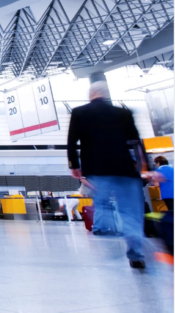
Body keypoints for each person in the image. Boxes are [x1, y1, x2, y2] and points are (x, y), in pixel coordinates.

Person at [68, 81, 150, 269]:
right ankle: (135, 252)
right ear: (107, 94)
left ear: (91, 94)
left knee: (103, 204)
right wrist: (146, 167)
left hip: (98, 169)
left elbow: (72, 141)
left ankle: (105, 233)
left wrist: (74, 165)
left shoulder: (80, 113)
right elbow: (136, 142)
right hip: (125, 169)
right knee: (130, 212)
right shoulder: (123, 113)